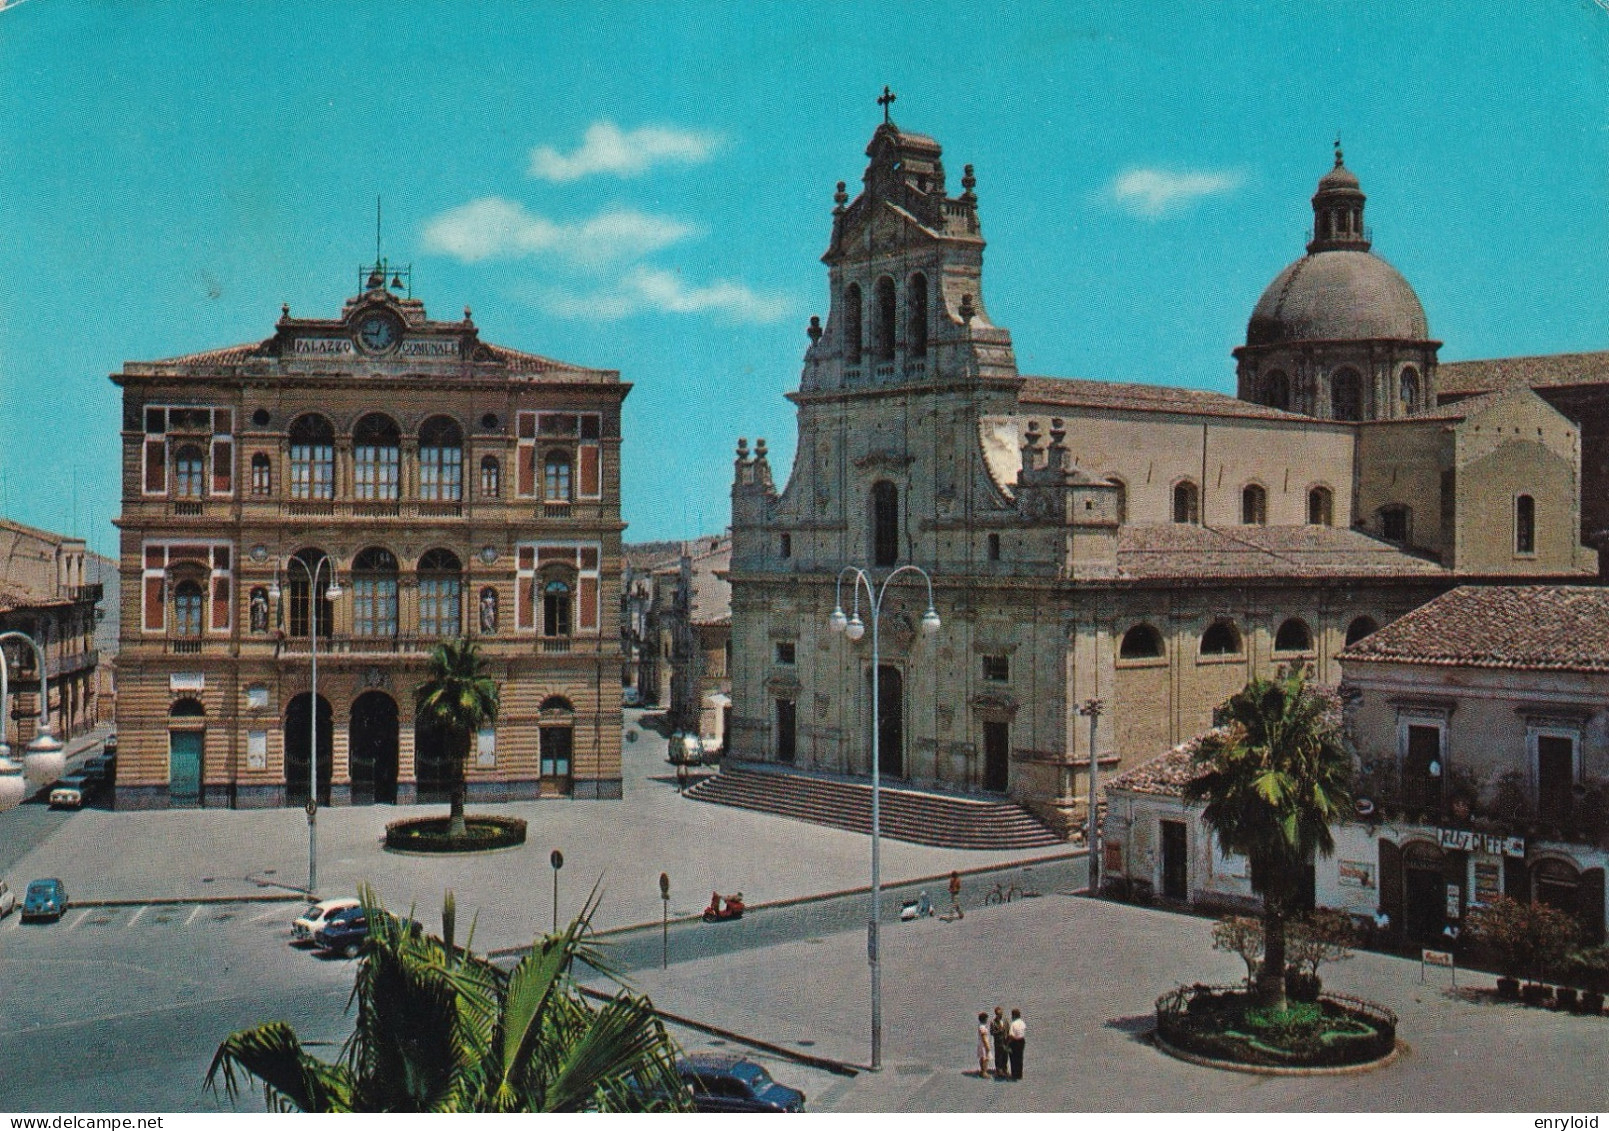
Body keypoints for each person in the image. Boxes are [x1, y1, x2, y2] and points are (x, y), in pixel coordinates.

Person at [989, 1007, 1009, 1079]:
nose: (1000, 1015)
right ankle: (999, 1071)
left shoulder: (1005, 1020)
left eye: (1000, 1014)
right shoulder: (993, 1022)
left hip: (1006, 1042)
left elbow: (1008, 1029)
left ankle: (1005, 1070)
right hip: (998, 1043)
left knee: (1005, 1056)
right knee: (998, 1057)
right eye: (998, 1014)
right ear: (996, 1014)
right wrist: (999, 1031)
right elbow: (991, 1032)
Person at [1007, 1008, 1025, 1080]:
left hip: (1014, 1042)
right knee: (1020, 1058)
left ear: (1013, 1015)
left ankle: (1014, 1074)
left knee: (1013, 1058)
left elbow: (1011, 1035)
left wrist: (1008, 1043)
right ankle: (1019, 1074)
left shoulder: (1013, 1024)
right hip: (1021, 1041)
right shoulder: (1022, 1022)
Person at [975, 1012, 991, 1077]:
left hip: (980, 1043)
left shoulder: (980, 1025)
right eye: (986, 1019)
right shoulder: (983, 1027)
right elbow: (984, 1037)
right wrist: (987, 1046)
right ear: (984, 1019)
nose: (987, 1020)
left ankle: (982, 1071)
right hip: (983, 1044)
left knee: (982, 1057)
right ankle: (984, 1072)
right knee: (986, 1058)